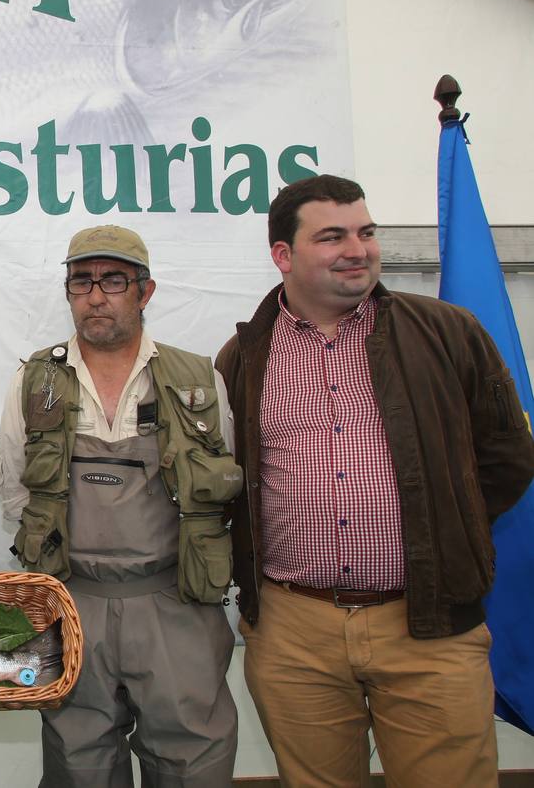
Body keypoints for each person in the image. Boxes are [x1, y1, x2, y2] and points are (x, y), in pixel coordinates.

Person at [216, 174, 534, 786]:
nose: (357, 250)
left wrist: (448, 531)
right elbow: (232, 487)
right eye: (331, 236)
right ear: (283, 255)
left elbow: (507, 459)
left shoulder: (448, 334)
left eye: (365, 232)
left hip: (430, 625)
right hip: (293, 634)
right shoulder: (244, 357)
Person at [0, 225, 241, 787]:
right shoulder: (34, 382)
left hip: (176, 604)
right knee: (78, 766)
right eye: (81, 281)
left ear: (145, 292)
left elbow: (223, 490)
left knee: (193, 765)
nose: (96, 295)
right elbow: (15, 493)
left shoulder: (198, 382)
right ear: (68, 291)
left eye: (113, 280)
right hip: (73, 604)